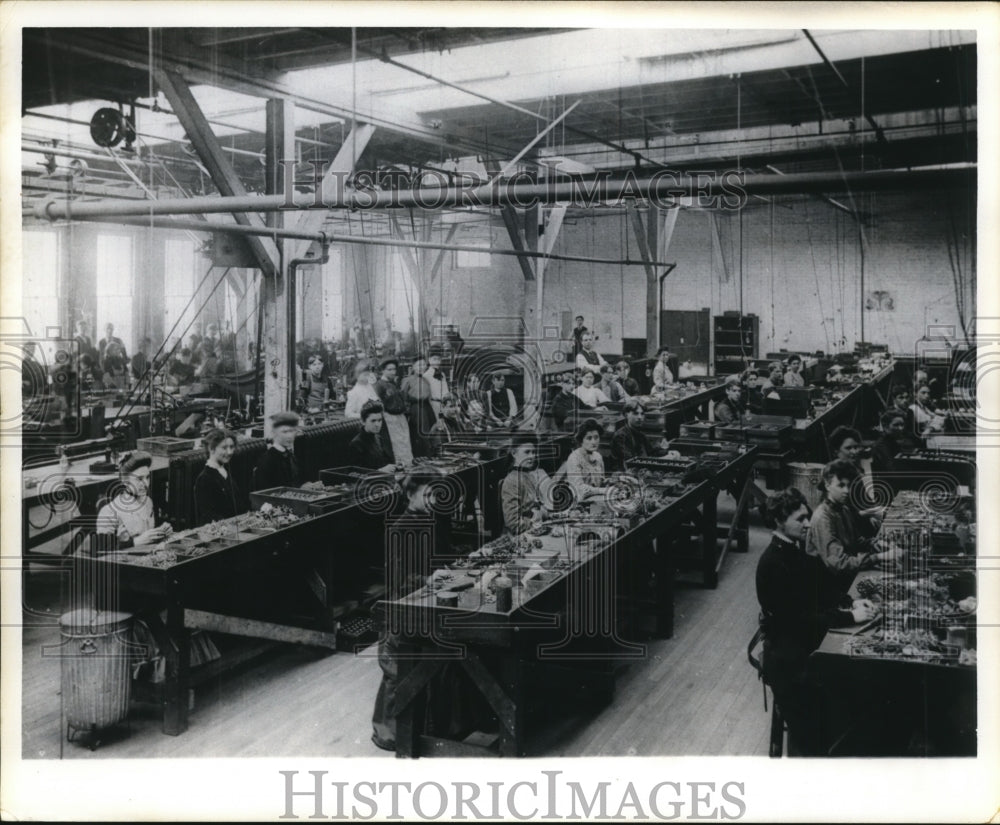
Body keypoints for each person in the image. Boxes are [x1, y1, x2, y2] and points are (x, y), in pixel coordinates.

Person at [755, 487, 878, 755]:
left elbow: (819, 588)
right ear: (778, 520)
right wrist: (849, 617)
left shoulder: (793, 551)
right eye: (800, 518)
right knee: (849, 700)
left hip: (802, 643)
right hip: (790, 663)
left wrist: (849, 601)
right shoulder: (773, 563)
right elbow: (798, 621)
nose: (808, 523)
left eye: (807, 516)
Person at [806, 459, 897, 586]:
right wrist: (879, 557)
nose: (847, 491)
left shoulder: (843, 509)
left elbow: (856, 541)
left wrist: (875, 544)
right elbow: (839, 564)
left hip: (845, 575)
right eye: (841, 485)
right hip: (827, 584)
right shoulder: (822, 517)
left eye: (849, 485)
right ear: (827, 485)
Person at [95, 451, 174, 549]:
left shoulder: (148, 502)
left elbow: (148, 536)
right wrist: (136, 542)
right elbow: (101, 550)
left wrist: (161, 531)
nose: (146, 484)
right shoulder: (109, 511)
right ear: (125, 481)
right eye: (139, 479)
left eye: (148, 477)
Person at [500, 434, 555, 534]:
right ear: (514, 453)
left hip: (537, 529)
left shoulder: (530, 474)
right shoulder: (511, 481)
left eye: (534, 452)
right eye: (527, 452)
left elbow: (542, 505)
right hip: (521, 537)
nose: (532, 456)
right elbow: (513, 523)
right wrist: (540, 521)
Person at [193, 428, 240, 524]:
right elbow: (208, 516)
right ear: (211, 449)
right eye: (224, 448)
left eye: (232, 447)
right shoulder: (205, 479)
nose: (230, 452)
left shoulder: (224, 472)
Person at [373, 357, 414, 465]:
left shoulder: (394, 384)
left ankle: (408, 467)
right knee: (396, 444)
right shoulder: (379, 385)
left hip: (400, 417)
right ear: (383, 370)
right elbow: (378, 404)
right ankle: (400, 469)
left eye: (394, 369)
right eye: (389, 370)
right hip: (390, 418)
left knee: (405, 442)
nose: (393, 372)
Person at [610, 399, 669, 471]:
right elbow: (631, 461)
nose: (640, 417)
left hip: (639, 470)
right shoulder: (620, 436)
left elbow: (651, 452)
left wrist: (666, 450)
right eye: (635, 413)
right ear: (626, 415)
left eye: (642, 414)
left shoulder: (640, 434)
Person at [255, 411, 301, 490]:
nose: (289, 436)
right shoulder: (267, 461)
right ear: (274, 433)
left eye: (292, 431)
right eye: (285, 432)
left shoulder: (291, 456)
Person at [347, 400, 397, 473]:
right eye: (373, 421)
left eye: (379, 420)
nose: (377, 425)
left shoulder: (378, 438)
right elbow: (353, 474)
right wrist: (380, 471)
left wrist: (395, 466)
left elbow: (387, 462)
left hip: (385, 479)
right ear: (363, 421)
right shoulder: (356, 444)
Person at [563, 418, 606, 499]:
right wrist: (603, 490)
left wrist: (609, 483)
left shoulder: (598, 456)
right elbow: (580, 489)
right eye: (589, 438)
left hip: (596, 500)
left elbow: (601, 481)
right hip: (578, 503)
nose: (593, 442)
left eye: (596, 437)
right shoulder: (574, 458)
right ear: (581, 440)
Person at [401, 356, 437, 450]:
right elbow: (403, 397)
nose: (422, 367)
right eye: (419, 365)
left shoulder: (426, 380)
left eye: (423, 364)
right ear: (413, 366)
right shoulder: (407, 380)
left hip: (427, 408)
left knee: (431, 431)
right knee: (420, 435)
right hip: (416, 410)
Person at [424, 353, 450, 419]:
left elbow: (445, 389)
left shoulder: (442, 374)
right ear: (429, 360)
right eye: (434, 359)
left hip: (444, 404)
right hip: (433, 404)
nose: (437, 362)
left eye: (438, 359)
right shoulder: (426, 375)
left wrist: (447, 400)